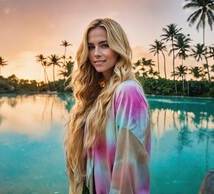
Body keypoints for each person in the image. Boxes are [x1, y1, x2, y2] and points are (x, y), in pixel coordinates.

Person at [64, 18, 151, 194]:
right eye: (90, 47)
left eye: (104, 45)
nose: (96, 53)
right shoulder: (100, 92)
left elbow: (128, 167)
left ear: (118, 48)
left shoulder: (128, 91)